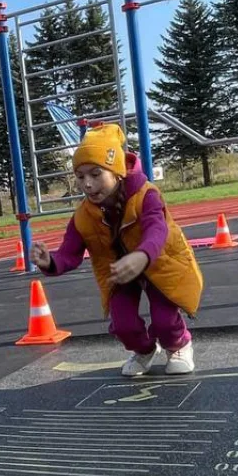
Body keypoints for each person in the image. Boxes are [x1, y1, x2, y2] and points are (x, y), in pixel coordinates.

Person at [29, 124, 203, 377]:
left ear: (117, 172)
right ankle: (143, 350)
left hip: (159, 262)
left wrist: (142, 255)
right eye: (80, 177)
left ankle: (179, 345)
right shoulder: (84, 215)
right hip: (119, 272)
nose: (88, 184)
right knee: (123, 325)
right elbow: (69, 253)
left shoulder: (146, 195)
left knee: (165, 321)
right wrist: (49, 261)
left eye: (96, 174)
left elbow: (157, 229)